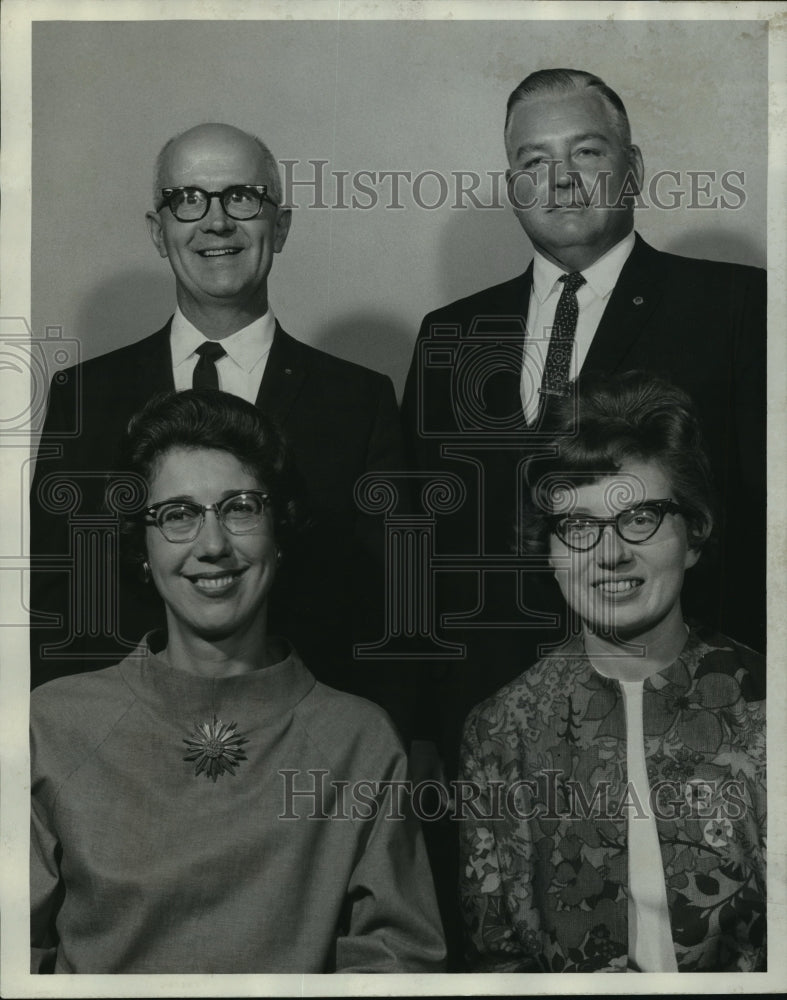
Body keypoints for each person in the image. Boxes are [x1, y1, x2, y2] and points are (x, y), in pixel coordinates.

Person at [401, 68, 766, 770]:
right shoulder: (450, 334)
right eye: (533, 161)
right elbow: (418, 543)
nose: (560, 178)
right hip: (492, 723)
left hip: (692, 714)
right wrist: (423, 719)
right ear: (513, 187)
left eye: (586, 153)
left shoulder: (735, 307)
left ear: (631, 169)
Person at [30, 389, 446, 974]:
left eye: (240, 507)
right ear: (142, 546)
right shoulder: (50, 728)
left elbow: (397, 967)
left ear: (279, 531)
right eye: (177, 515)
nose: (213, 545)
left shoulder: (360, 743)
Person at [30, 123, 408, 735]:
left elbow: (389, 603)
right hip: (123, 742)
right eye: (188, 199)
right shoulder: (84, 397)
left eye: (243, 197)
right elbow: (54, 600)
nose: (216, 222)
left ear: (279, 225)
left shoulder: (360, 400)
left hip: (305, 743)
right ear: (159, 231)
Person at [459, 372, 766, 973]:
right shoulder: (499, 731)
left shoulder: (770, 704)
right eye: (577, 528)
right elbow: (496, 958)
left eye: (642, 517)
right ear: (547, 551)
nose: (610, 554)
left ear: (694, 533)